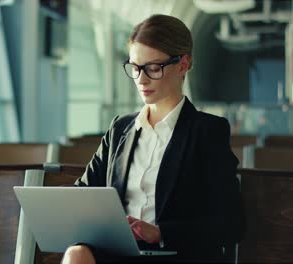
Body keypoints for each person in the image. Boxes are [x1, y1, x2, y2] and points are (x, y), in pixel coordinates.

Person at [61, 14, 244, 263]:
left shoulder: (207, 132)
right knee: (76, 254)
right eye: (135, 68)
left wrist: (160, 233)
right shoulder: (120, 129)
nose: (141, 79)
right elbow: (81, 195)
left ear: (183, 65)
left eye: (153, 68)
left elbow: (231, 223)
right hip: (120, 253)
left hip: (175, 255)